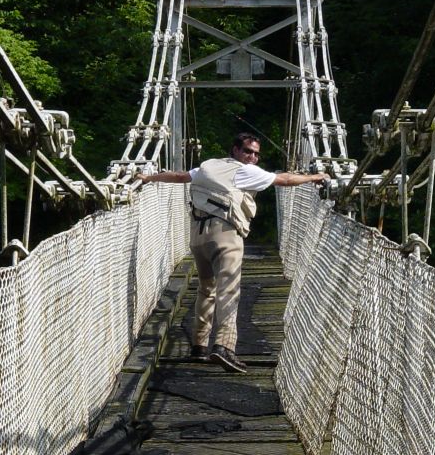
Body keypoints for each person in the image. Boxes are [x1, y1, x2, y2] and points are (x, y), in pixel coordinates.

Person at [136, 132, 329, 373]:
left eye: (256, 154)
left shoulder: (208, 167)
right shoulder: (244, 171)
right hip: (225, 236)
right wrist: (315, 177)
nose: (252, 157)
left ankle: (198, 345)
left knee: (207, 288)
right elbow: (285, 180)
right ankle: (224, 346)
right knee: (228, 290)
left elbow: (178, 177)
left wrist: (148, 177)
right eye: (248, 151)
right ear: (235, 150)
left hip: (198, 237)